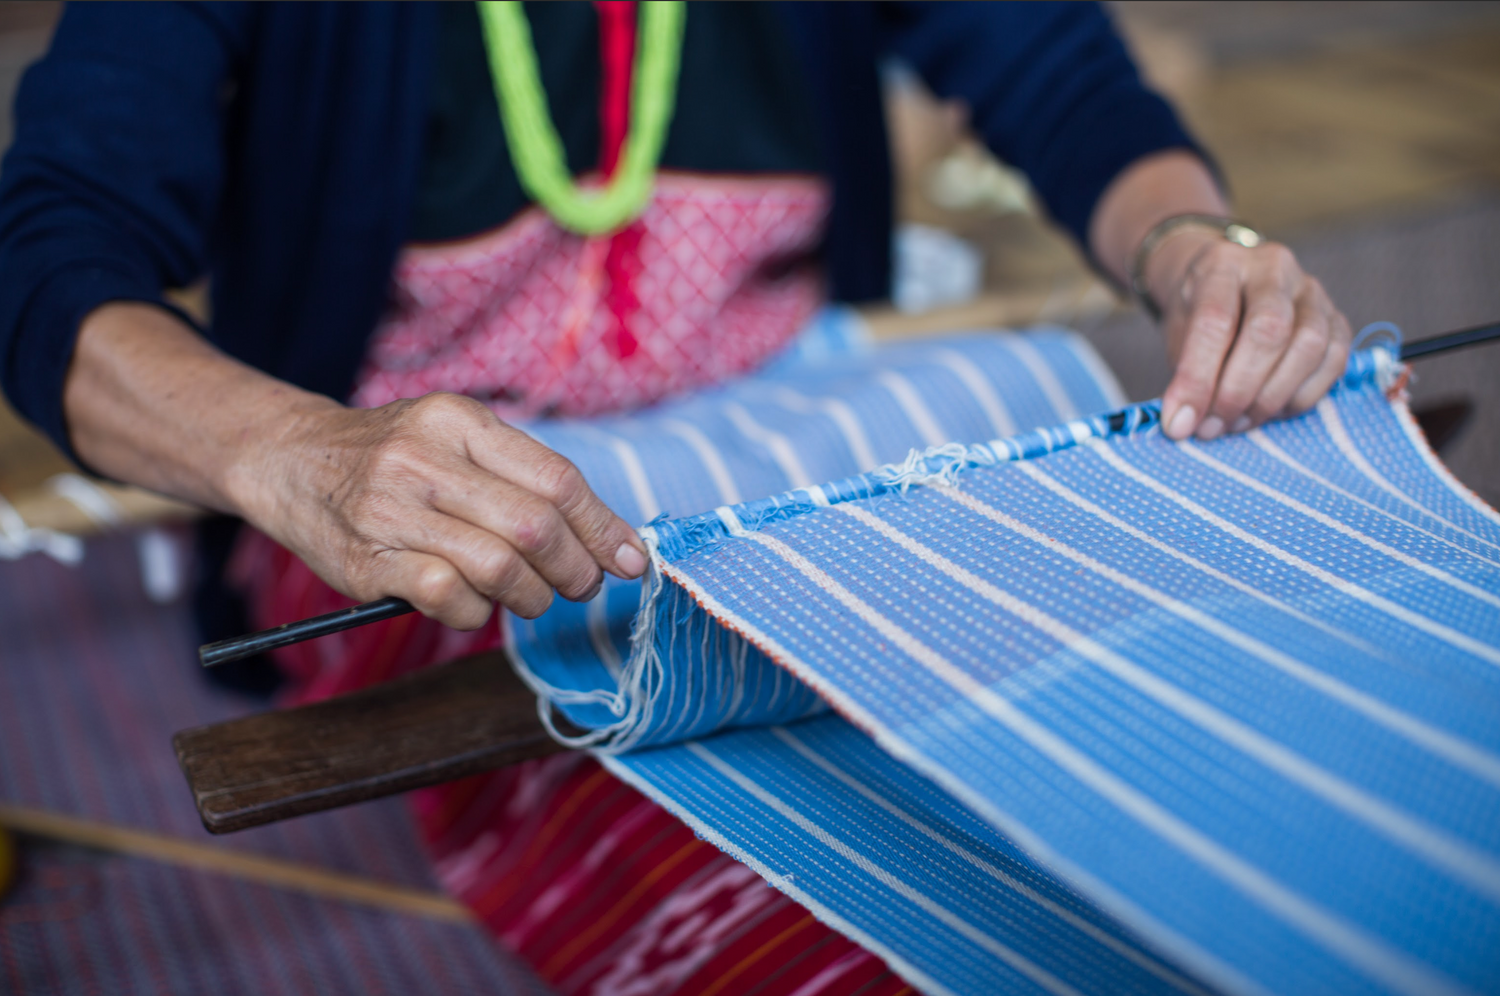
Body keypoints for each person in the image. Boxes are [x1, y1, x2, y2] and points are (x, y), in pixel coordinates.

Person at [0, 2, 1352, 992]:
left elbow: (1057, 70)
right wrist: (296, 453)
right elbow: (49, 243)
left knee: (1154, 754)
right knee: (805, 870)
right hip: (434, 492)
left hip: (802, 419)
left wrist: (1195, 246)